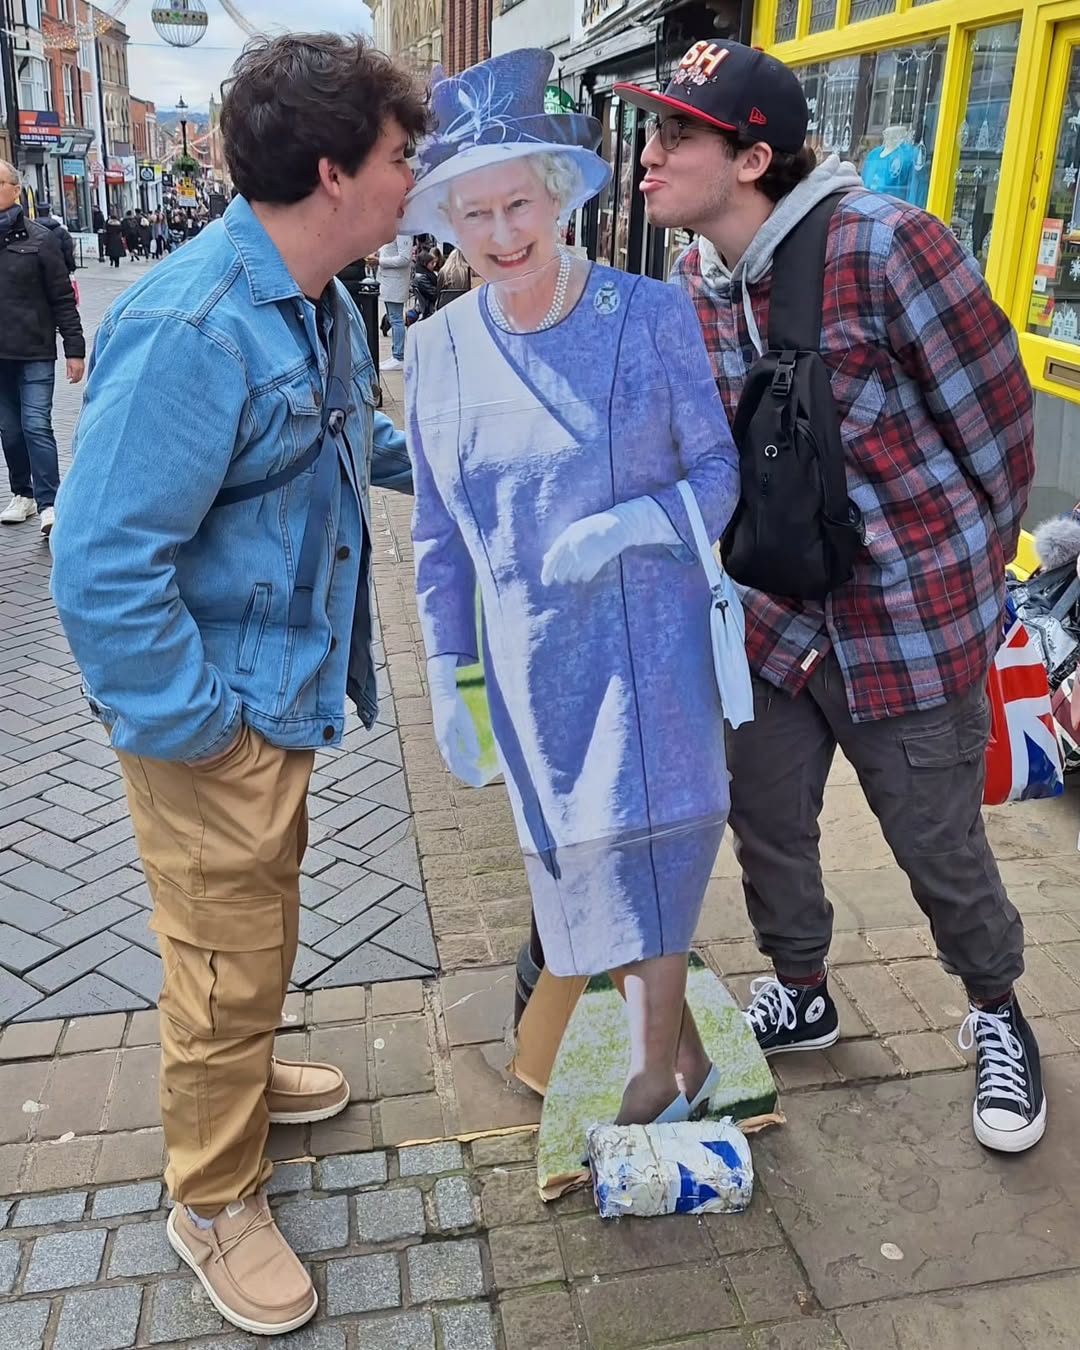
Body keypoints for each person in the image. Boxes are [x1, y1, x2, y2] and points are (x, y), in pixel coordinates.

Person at [50, 34, 426, 1336]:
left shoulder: (316, 301)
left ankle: (244, 1079)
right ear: (333, 172)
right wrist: (205, 731)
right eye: (400, 156)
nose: (413, 179)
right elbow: (101, 564)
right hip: (212, 717)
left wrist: (470, 463)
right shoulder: (195, 323)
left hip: (274, 691)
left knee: (252, 929)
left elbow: (347, 435)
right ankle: (212, 1198)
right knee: (220, 962)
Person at [618, 38, 1043, 1153]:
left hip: (906, 625)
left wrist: (965, 586)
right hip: (770, 617)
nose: (649, 155)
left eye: (677, 134)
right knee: (764, 821)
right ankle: (801, 989)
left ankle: (998, 1011)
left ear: (752, 158)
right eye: (653, 129)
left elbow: (1000, 430)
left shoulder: (888, 247)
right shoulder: (694, 284)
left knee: (936, 841)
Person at [404, 50, 740, 1127]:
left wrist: (635, 526)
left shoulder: (649, 316)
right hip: (533, 669)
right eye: (475, 213)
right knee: (581, 869)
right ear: (447, 224)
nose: (503, 232)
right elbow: (438, 539)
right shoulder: (437, 351)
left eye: (519, 204)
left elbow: (720, 473)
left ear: (558, 196)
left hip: (652, 652)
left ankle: (653, 1083)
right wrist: (448, 673)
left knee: (658, 853)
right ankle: (684, 1064)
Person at [0, 162, 85, 537]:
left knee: (35, 425)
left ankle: (50, 502)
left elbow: (62, 298)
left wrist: (74, 349)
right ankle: (23, 494)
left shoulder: (40, 239)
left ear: (16, 190)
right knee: (9, 430)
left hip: (34, 349)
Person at [376, 229, 410, 368]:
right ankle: (396, 354)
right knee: (393, 317)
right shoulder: (393, 229)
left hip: (395, 282)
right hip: (389, 281)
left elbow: (404, 258)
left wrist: (379, 261)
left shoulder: (403, 232)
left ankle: (398, 356)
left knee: (396, 319)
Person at [37, 202, 77, 274]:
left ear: (38, 213)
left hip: (36, 271)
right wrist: (71, 267)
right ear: (49, 213)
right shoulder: (62, 232)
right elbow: (68, 252)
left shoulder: (30, 230)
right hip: (58, 270)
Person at [412, 248, 438, 319]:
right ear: (425, 264)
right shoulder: (422, 278)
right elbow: (433, 294)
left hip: (428, 305)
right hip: (430, 307)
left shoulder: (421, 274)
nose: (434, 265)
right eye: (432, 263)